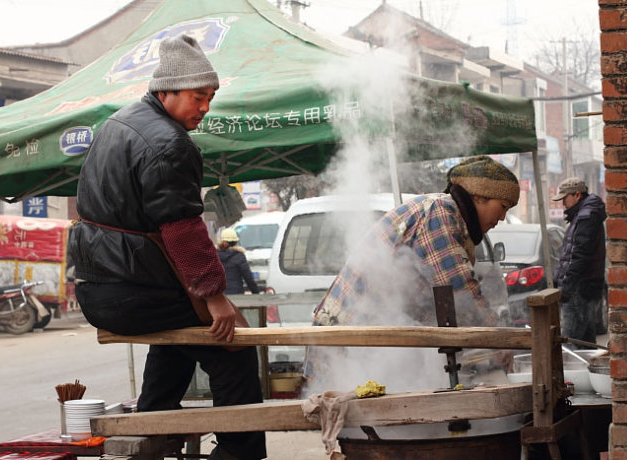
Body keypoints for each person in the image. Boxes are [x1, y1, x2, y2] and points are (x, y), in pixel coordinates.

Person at [67, 35, 266, 460]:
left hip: (99, 290)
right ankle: (238, 453)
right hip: (132, 290)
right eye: (198, 97)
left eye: (210, 97)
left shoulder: (117, 123)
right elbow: (182, 229)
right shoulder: (169, 142)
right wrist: (215, 298)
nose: (205, 108)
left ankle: (153, 433)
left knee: (179, 337)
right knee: (235, 347)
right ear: (167, 91)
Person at [305, 155, 520, 393]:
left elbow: (436, 306)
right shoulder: (439, 212)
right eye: (503, 207)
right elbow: (459, 289)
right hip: (346, 343)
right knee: (360, 424)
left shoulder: (448, 217)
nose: (502, 218)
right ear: (479, 196)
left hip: (365, 343)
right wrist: (499, 340)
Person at [552, 177, 607, 349]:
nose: (563, 204)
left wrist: (566, 286)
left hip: (579, 289)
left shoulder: (586, 217)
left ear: (577, 195)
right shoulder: (583, 216)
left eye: (564, 198)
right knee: (586, 344)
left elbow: (579, 255)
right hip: (583, 287)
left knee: (569, 346)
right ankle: (587, 375)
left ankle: (571, 377)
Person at [217, 228, 260, 295]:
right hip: (236, 294)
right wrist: (256, 293)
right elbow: (248, 278)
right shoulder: (239, 256)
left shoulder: (214, 256)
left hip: (219, 296)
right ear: (236, 242)